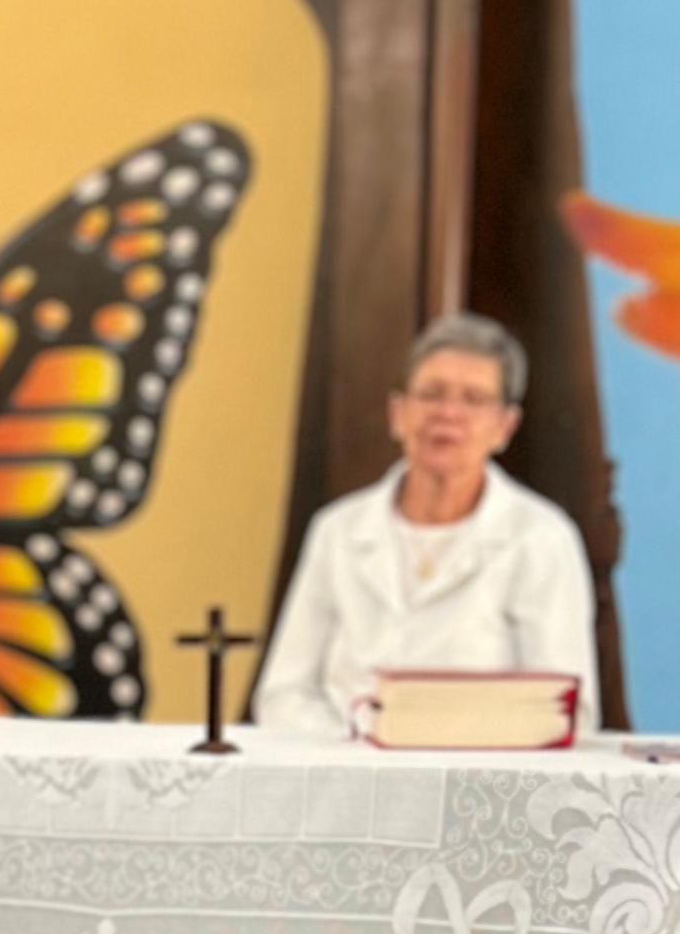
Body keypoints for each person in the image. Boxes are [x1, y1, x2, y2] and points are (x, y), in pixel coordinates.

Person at [250, 315, 599, 737]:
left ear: (504, 426)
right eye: (432, 394)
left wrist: (436, 746)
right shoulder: (337, 531)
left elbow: (565, 710)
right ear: (398, 413)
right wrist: (358, 743)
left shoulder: (542, 538)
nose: (448, 414)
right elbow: (284, 693)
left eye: (473, 399)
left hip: (480, 773)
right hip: (348, 761)